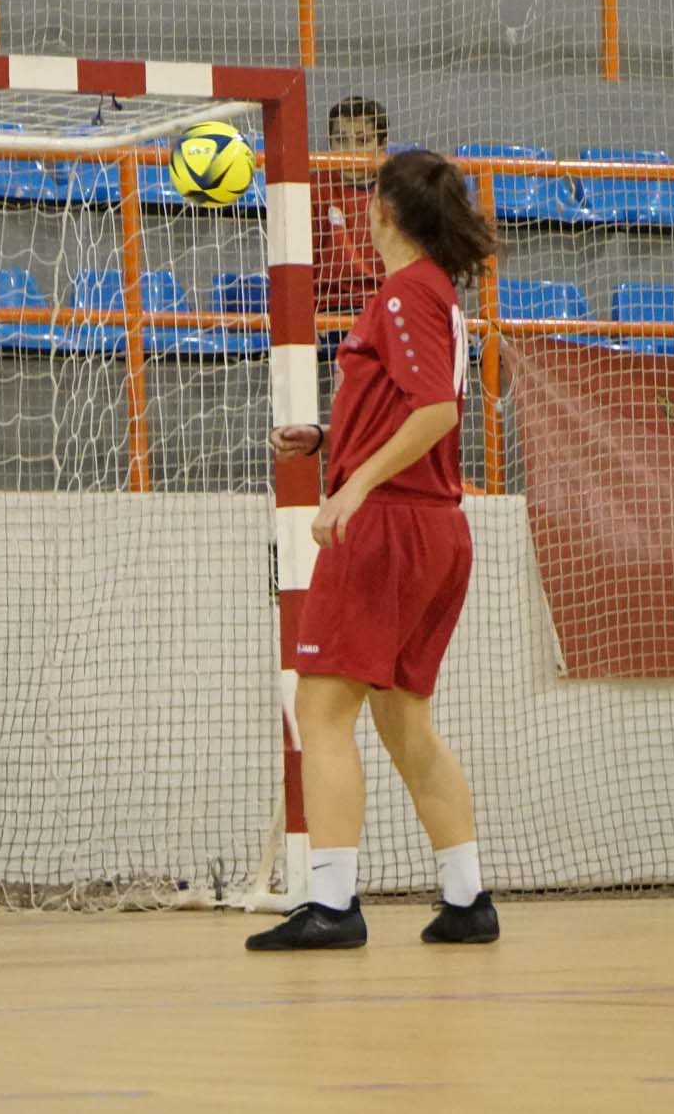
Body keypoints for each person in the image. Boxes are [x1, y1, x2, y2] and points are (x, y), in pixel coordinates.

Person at [247, 148, 501, 952]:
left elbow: (435, 412)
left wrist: (352, 486)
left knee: (319, 708)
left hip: (390, 524)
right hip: (433, 527)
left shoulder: (402, 295)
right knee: (405, 723)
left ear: (384, 211)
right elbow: (412, 404)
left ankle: (332, 903)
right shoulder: (434, 296)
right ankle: (467, 899)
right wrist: (330, 440)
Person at [313, 95, 390, 322]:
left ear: (382, 145)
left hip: (384, 309)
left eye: (362, 140)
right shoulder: (314, 190)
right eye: (341, 140)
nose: (351, 150)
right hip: (327, 310)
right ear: (330, 143)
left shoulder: (397, 193)